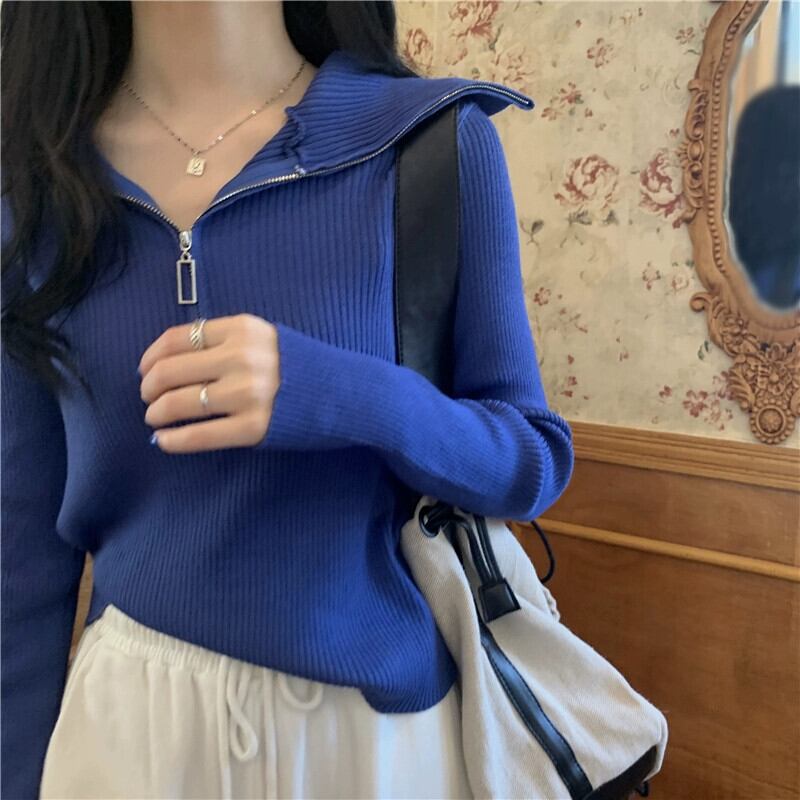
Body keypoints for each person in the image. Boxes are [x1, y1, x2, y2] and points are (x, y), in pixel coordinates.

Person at [0, 2, 575, 798]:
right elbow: (21, 552)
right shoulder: (34, 191)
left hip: (375, 744)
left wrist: (331, 391)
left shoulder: (431, 141)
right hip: (130, 736)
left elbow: (530, 462)